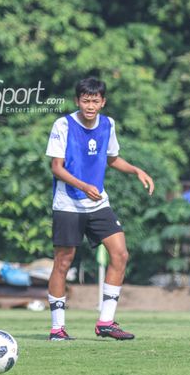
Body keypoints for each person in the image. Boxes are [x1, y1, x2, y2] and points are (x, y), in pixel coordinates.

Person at [45, 77, 154, 341]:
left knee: (120, 254)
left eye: (95, 101)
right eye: (85, 100)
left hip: (98, 203)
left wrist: (136, 170)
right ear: (77, 101)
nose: (90, 105)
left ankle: (106, 321)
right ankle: (57, 328)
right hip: (68, 203)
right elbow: (56, 167)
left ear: (102, 102)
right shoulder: (63, 125)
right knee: (63, 262)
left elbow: (112, 158)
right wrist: (83, 186)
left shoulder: (108, 124)